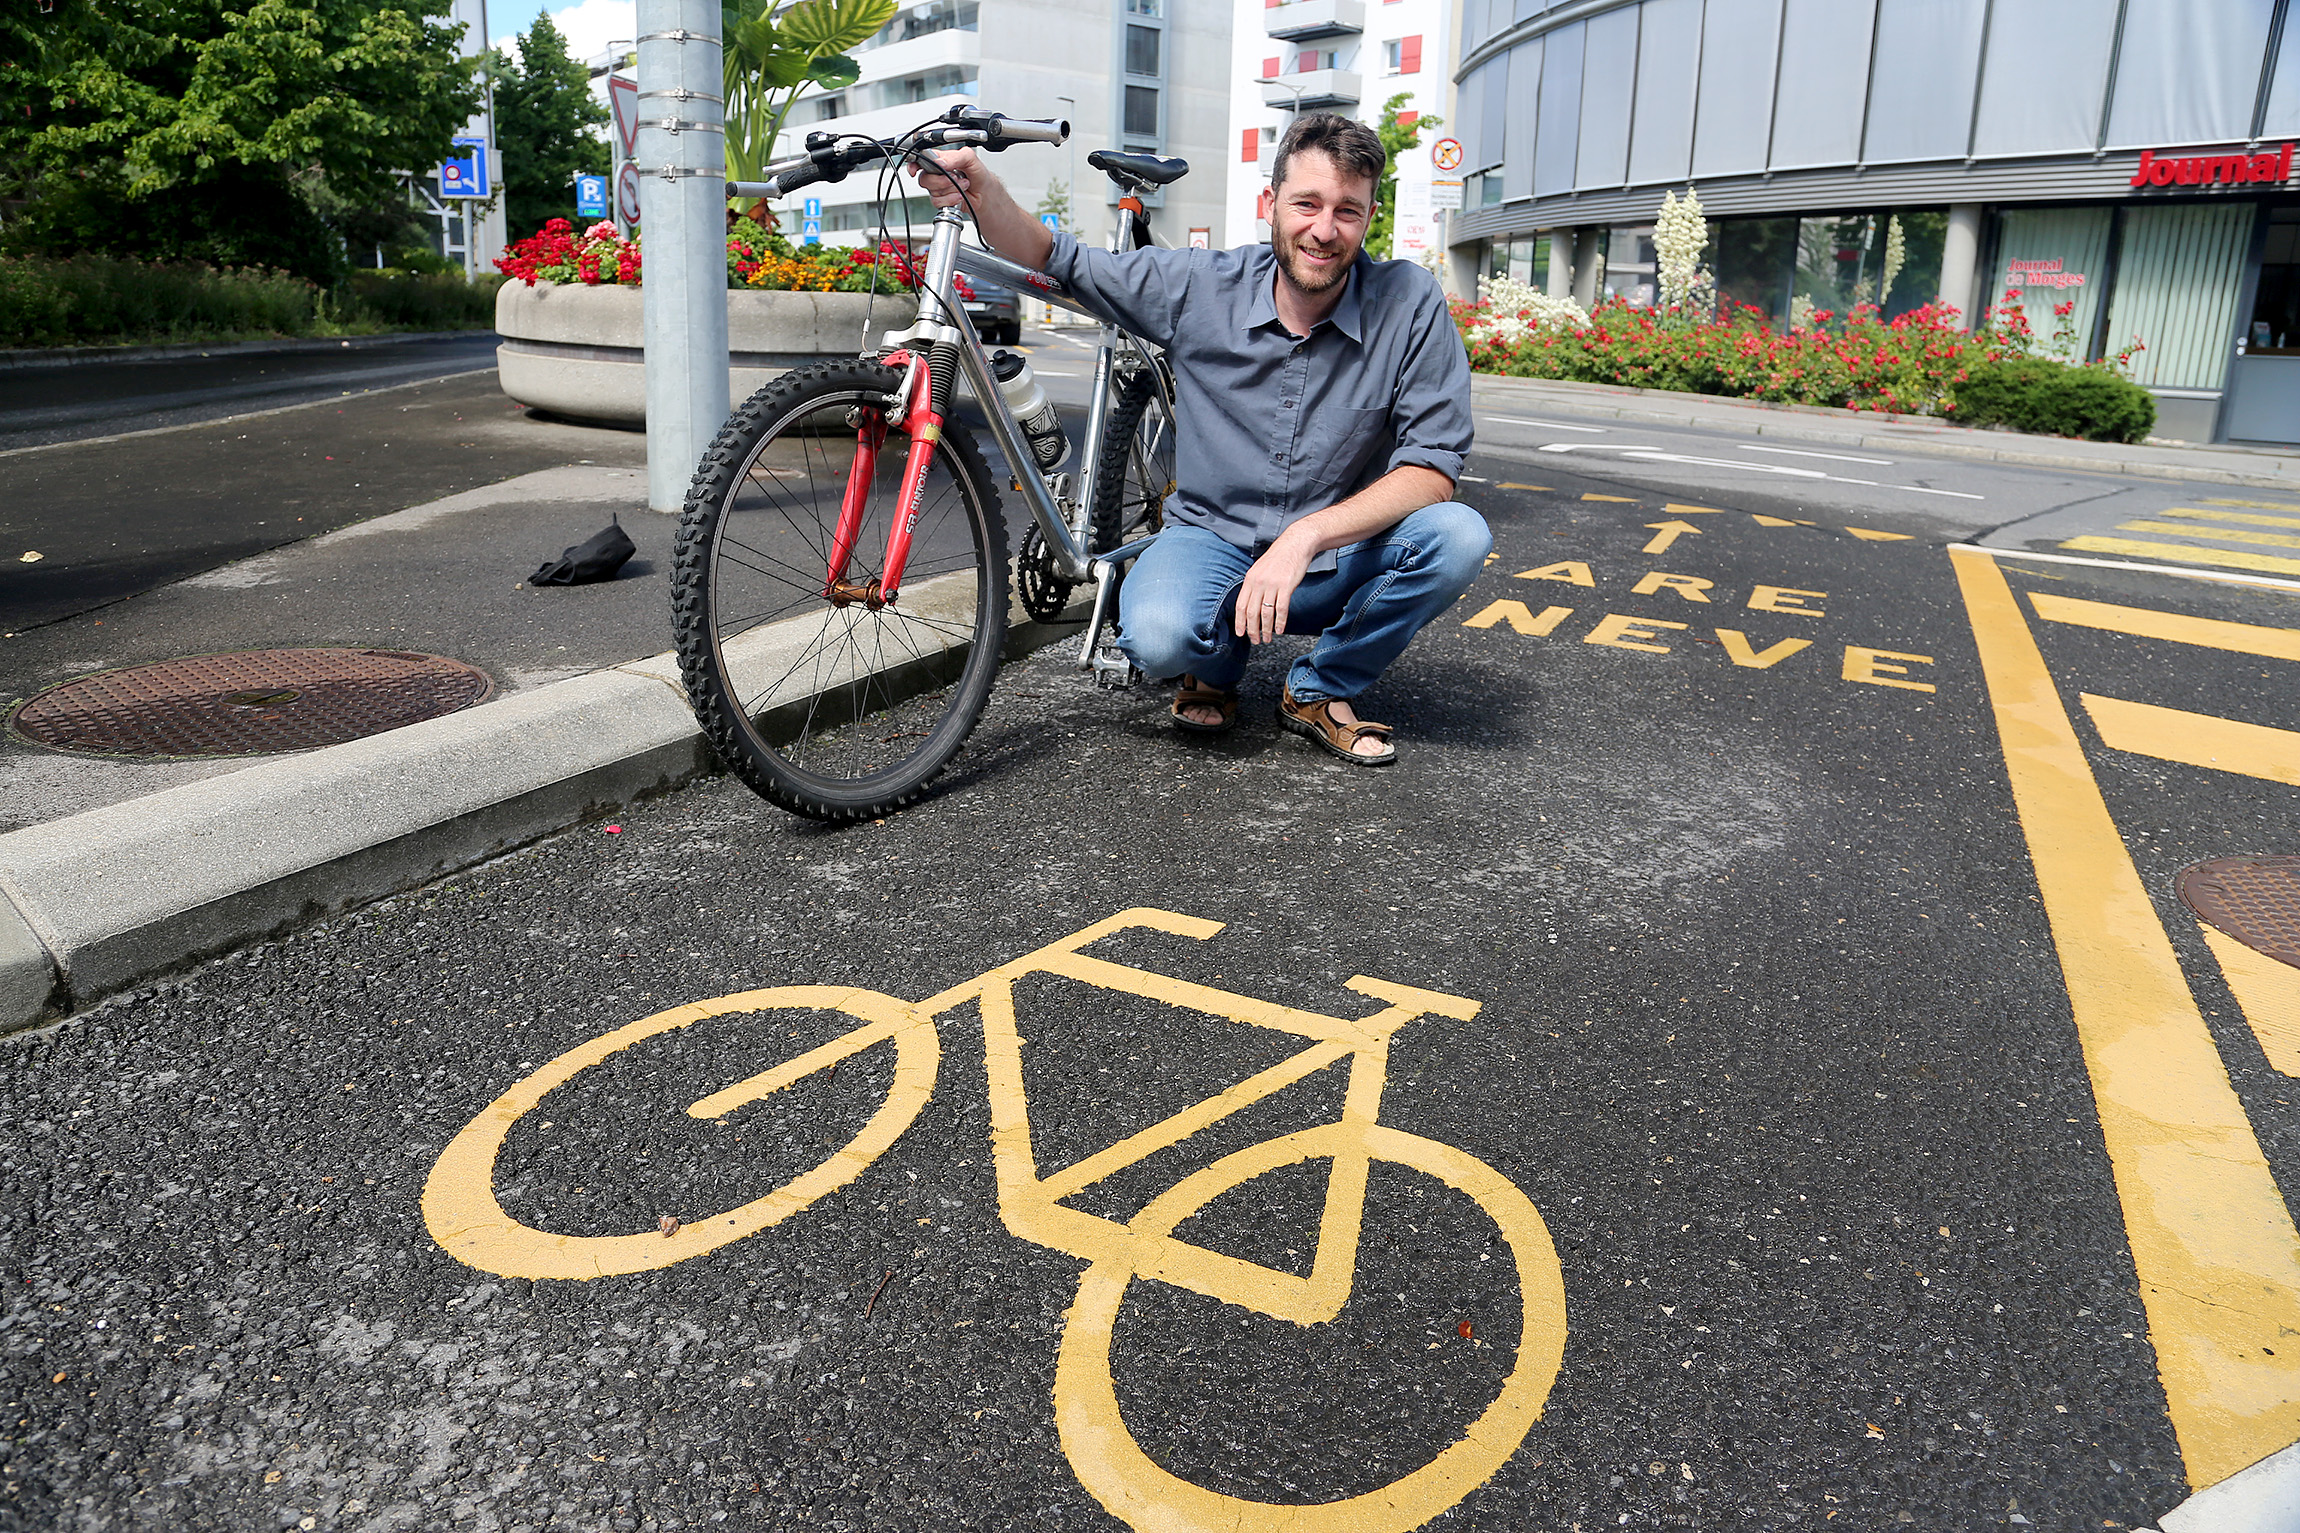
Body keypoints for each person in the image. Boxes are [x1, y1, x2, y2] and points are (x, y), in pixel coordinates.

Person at [912, 112, 1486, 765]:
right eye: (1307, 204)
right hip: (1211, 539)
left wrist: (1306, 536)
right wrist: (983, 194)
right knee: (1155, 636)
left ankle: (1320, 687)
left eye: (1347, 211)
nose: (1324, 230)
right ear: (1270, 204)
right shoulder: (1202, 286)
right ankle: (1215, 657)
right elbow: (1060, 259)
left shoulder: (1408, 302)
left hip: (1330, 562)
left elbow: (1432, 468)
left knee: (1458, 535)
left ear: (1369, 215)